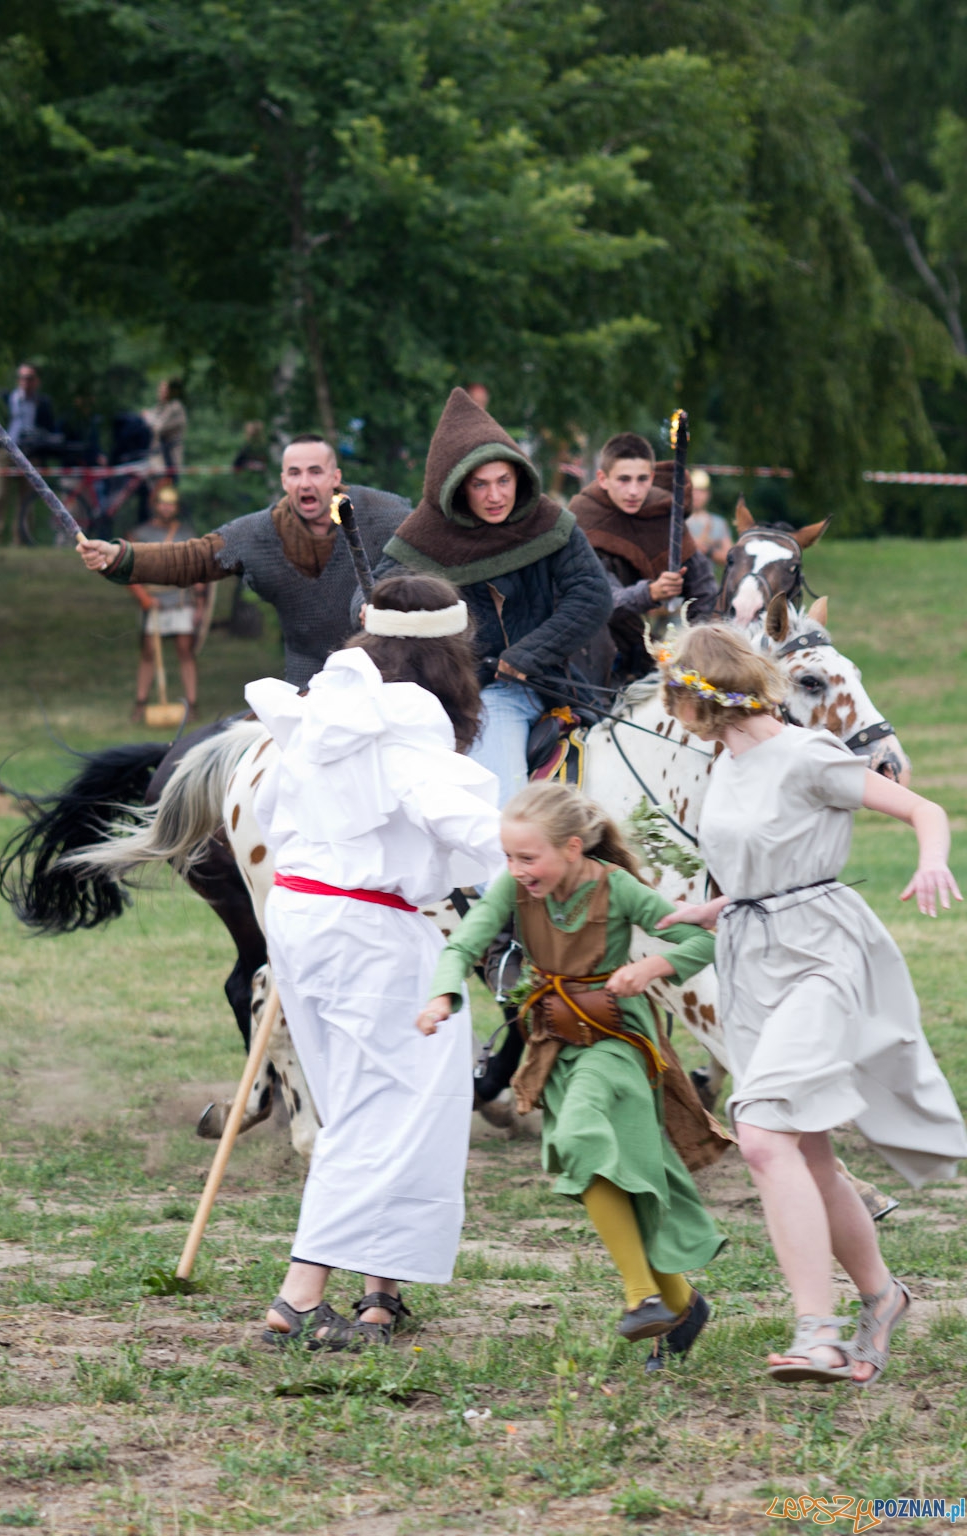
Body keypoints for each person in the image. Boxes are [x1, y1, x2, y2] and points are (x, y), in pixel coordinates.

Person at [654, 622, 967, 1385]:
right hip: (751, 955)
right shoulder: (725, 764)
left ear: (700, 696)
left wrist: (931, 863)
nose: (672, 716)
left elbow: (925, 810)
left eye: (673, 698)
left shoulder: (807, 753)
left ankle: (816, 1333)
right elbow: (761, 857)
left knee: (761, 1134)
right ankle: (881, 1297)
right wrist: (719, 907)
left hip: (821, 953)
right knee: (808, 1152)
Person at [247, 573, 504, 1349]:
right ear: (450, 656)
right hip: (370, 930)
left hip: (300, 915)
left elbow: (266, 811)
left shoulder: (321, 713)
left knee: (368, 1100)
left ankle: (379, 1294)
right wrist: (554, 849)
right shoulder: (405, 733)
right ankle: (297, 1299)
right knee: (384, 1112)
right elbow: (461, 818)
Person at [419, 782, 722, 1360]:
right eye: (509, 857)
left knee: (584, 1136)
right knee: (607, 1168)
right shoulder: (514, 888)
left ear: (574, 848)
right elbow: (462, 947)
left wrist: (653, 964)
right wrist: (442, 997)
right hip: (555, 1044)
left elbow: (697, 939)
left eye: (527, 857)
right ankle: (681, 1303)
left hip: (618, 1041)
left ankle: (641, 1299)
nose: (514, 869)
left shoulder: (620, 889)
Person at [366, 388, 613, 806]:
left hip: (543, 686)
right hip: (466, 692)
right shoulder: (425, 534)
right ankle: (493, 875)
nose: (496, 496)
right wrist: (370, 608)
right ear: (459, 486)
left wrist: (526, 655)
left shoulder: (549, 521)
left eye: (504, 481)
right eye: (480, 485)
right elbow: (373, 594)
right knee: (498, 808)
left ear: (519, 476)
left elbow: (592, 595)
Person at [77, 435, 410, 688]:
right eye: (294, 473)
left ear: (334, 477)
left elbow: (426, 561)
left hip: (386, 672)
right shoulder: (259, 533)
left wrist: (393, 603)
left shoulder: (384, 515)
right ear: (284, 482)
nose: (305, 482)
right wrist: (121, 556)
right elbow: (192, 558)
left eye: (315, 472)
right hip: (308, 678)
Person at [570, 432, 717, 681]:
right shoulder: (583, 519)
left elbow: (704, 589)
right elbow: (601, 600)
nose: (634, 491)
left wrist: (697, 648)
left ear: (652, 477)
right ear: (602, 479)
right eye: (624, 480)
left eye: (642, 479)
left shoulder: (662, 512)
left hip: (650, 647)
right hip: (589, 649)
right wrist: (650, 593)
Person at [128, 483, 205, 721]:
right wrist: (143, 597)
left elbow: (197, 570)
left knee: (185, 650)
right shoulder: (140, 534)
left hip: (181, 600)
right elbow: (130, 570)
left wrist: (200, 602)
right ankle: (140, 704)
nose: (167, 508)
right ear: (155, 505)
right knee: (149, 652)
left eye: (171, 503)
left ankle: (191, 705)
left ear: (176, 507)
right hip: (154, 601)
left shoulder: (186, 534)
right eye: (163, 503)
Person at [0, 363, 58, 546]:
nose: (25, 382)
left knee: (27, 501)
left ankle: (21, 542)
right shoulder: (6, 399)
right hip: (5, 451)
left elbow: (50, 431)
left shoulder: (43, 403)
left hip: (30, 454)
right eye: (22, 377)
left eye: (29, 378)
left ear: (36, 381)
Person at [143, 377, 188, 483]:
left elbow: (159, 427)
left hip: (169, 459)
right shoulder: (162, 407)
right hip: (157, 460)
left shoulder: (175, 407)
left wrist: (147, 417)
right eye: (161, 390)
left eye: (165, 390)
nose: (161, 393)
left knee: (167, 493)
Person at [686, 468, 733, 566]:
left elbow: (729, 558)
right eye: (693, 490)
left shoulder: (718, 523)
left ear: (708, 494)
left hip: (708, 580)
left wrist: (708, 551)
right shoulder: (677, 521)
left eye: (701, 491)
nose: (696, 495)